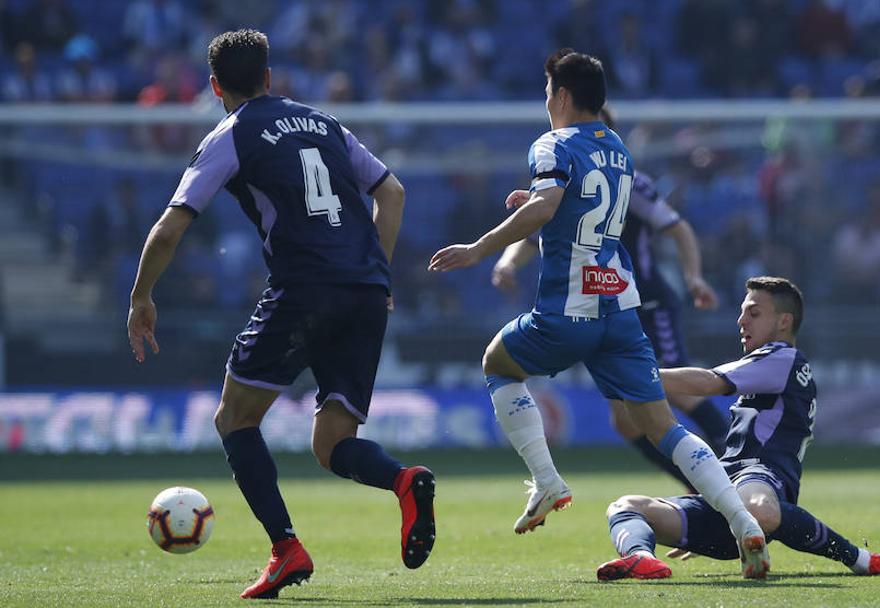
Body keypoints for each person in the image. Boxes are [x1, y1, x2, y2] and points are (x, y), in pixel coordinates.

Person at [429, 48, 769, 579]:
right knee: (662, 426)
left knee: (498, 363)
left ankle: (547, 481)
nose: (546, 102)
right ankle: (741, 519)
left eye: (548, 92)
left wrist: (478, 249)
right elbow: (578, 204)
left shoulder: (551, 143)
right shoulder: (618, 149)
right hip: (620, 307)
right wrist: (537, 199)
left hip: (569, 309)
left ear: (562, 95)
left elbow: (548, 207)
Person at [126, 30, 436, 600]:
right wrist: (378, 272)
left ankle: (285, 548)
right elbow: (392, 192)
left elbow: (170, 228)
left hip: (304, 287)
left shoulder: (231, 133)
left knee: (234, 419)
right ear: (269, 77)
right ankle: (404, 480)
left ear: (215, 86)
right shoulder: (325, 123)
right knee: (332, 443)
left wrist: (141, 296)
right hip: (366, 290)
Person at [597, 276, 880, 580]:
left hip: (761, 478)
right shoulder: (769, 366)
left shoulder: (784, 358)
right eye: (742, 312)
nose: (741, 321)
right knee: (625, 507)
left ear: (784, 321)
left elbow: (708, 382)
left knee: (758, 510)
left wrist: (637, 376)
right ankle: (641, 558)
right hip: (723, 490)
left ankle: (863, 559)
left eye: (753, 313)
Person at [491, 105, 729, 491]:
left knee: (671, 388)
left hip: (647, 302)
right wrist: (506, 263)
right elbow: (535, 232)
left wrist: (693, 277)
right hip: (605, 307)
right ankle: (697, 486)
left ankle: (743, 464)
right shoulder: (565, 178)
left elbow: (678, 227)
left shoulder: (629, 181)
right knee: (624, 421)